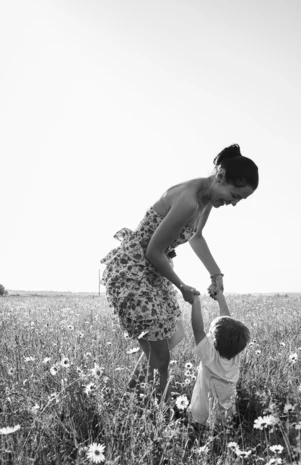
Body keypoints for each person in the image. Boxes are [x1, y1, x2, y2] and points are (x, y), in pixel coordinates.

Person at [100, 144, 258, 400]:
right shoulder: (188, 201)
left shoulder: (206, 200)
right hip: (133, 271)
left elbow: (196, 237)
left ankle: (131, 396)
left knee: (174, 334)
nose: (234, 203)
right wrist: (182, 286)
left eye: (240, 199)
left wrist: (216, 274)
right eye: (235, 195)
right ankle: (158, 415)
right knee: (161, 357)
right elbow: (153, 251)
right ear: (220, 177)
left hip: (153, 271)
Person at [189, 290, 250, 426]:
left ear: (214, 341)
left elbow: (198, 329)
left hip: (202, 416)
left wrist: (195, 302)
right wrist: (220, 299)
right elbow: (229, 327)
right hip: (226, 417)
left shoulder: (209, 357)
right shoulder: (235, 356)